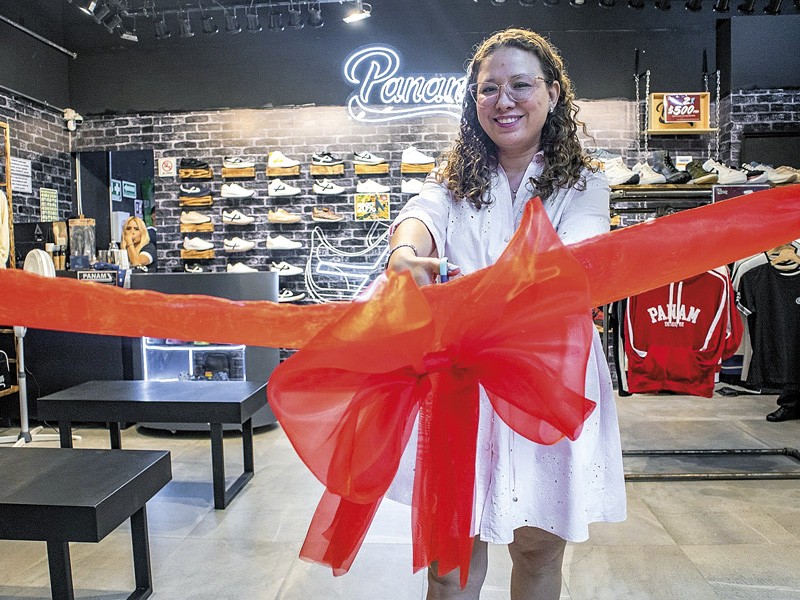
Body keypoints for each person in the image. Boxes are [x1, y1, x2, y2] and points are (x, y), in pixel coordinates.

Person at [386, 28, 626, 600]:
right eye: (488, 88)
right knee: (451, 555)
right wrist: (404, 252)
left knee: (538, 547)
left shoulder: (585, 184)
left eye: (521, 85)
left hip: (546, 379)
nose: (504, 100)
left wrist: (465, 286)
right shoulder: (452, 180)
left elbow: (569, 263)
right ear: (474, 102)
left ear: (552, 94)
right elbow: (419, 216)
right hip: (460, 383)